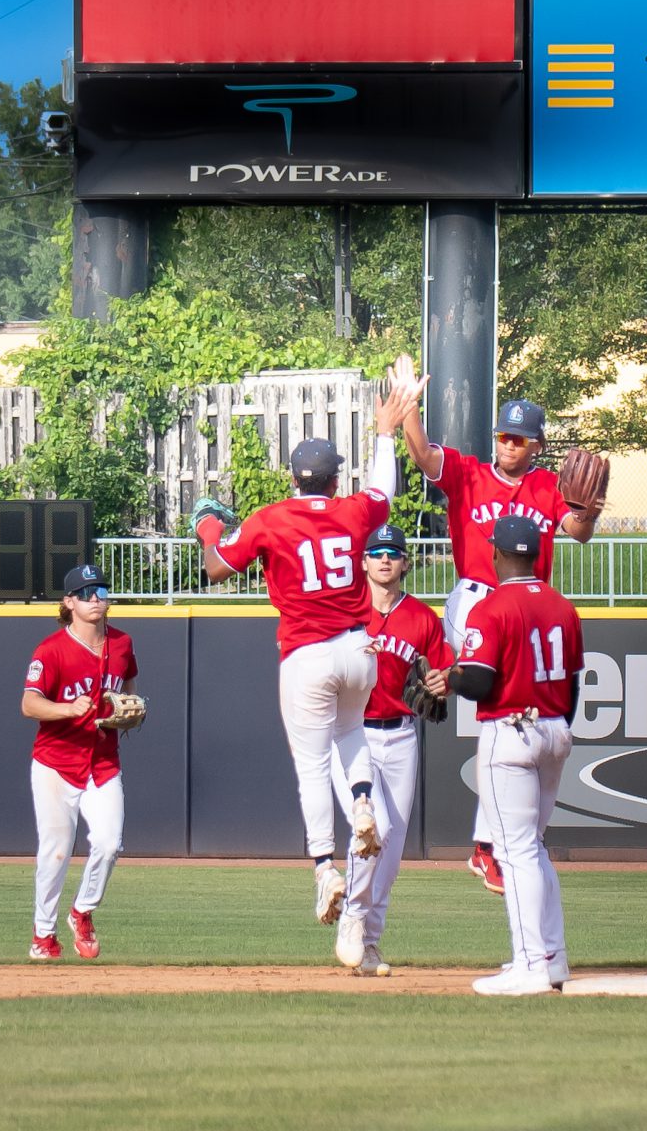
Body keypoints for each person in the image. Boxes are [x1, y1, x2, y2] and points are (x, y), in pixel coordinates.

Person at [194, 373, 417, 929]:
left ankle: (324, 866)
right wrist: (385, 433)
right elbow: (385, 491)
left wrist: (207, 530)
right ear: (335, 476)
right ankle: (363, 803)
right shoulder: (352, 513)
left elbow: (218, 569)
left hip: (307, 654)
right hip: (357, 649)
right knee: (350, 737)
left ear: (293, 477)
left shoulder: (272, 518)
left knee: (312, 767)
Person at [393, 365, 602, 896]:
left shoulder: (548, 487)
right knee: (505, 711)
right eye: (502, 436)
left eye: (518, 439)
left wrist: (588, 509)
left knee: (513, 719)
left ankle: (494, 841)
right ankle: (446, 673)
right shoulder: (469, 474)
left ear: (536, 445)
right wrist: (409, 406)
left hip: (525, 605)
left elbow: (577, 534)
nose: (507, 446)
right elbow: (422, 455)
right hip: (477, 600)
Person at [453, 513, 584, 995]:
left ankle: (529, 964)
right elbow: (571, 690)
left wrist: (450, 678)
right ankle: (552, 958)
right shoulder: (562, 607)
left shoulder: (490, 608)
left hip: (510, 733)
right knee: (534, 848)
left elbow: (480, 682)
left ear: (500, 554)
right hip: (554, 729)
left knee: (515, 853)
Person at [328, 523, 450, 978]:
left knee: (392, 852)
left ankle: (371, 943)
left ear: (404, 562)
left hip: (401, 735)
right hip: (352, 733)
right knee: (370, 829)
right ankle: (352, 919)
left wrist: (443, 682)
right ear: (363, 562)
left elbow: (442, 676)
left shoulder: (421, 618)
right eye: (376, 552)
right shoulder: (343, 611)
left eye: (392, 553)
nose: (384, 559)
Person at [20, 565, 141, 963]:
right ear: (68, 602)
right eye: (86, 592)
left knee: (109, 844)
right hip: (56, 762)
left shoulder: (122, 644)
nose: (96, 598)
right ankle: (43, 935)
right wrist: (66, 708)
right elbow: (29, 704)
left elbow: (129, 690)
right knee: (55, 851)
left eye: (101, 589)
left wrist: (131, 713)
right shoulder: (50, 650)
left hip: (102, 762)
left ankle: (82, 911)